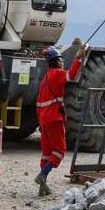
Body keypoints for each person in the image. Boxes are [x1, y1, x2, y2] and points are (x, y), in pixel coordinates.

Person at [34, 43, 87, 196]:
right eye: (61, 60)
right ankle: (42, 175)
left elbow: (39, 104)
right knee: (59, 152)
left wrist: (40, 123)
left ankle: (43, 187)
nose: (62, 62)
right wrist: (78, 58)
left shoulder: (45, 80)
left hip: (44, 122)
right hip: (55, 119)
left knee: (46, 154)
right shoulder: (57, 74)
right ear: (56, 61)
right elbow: (71, 76)